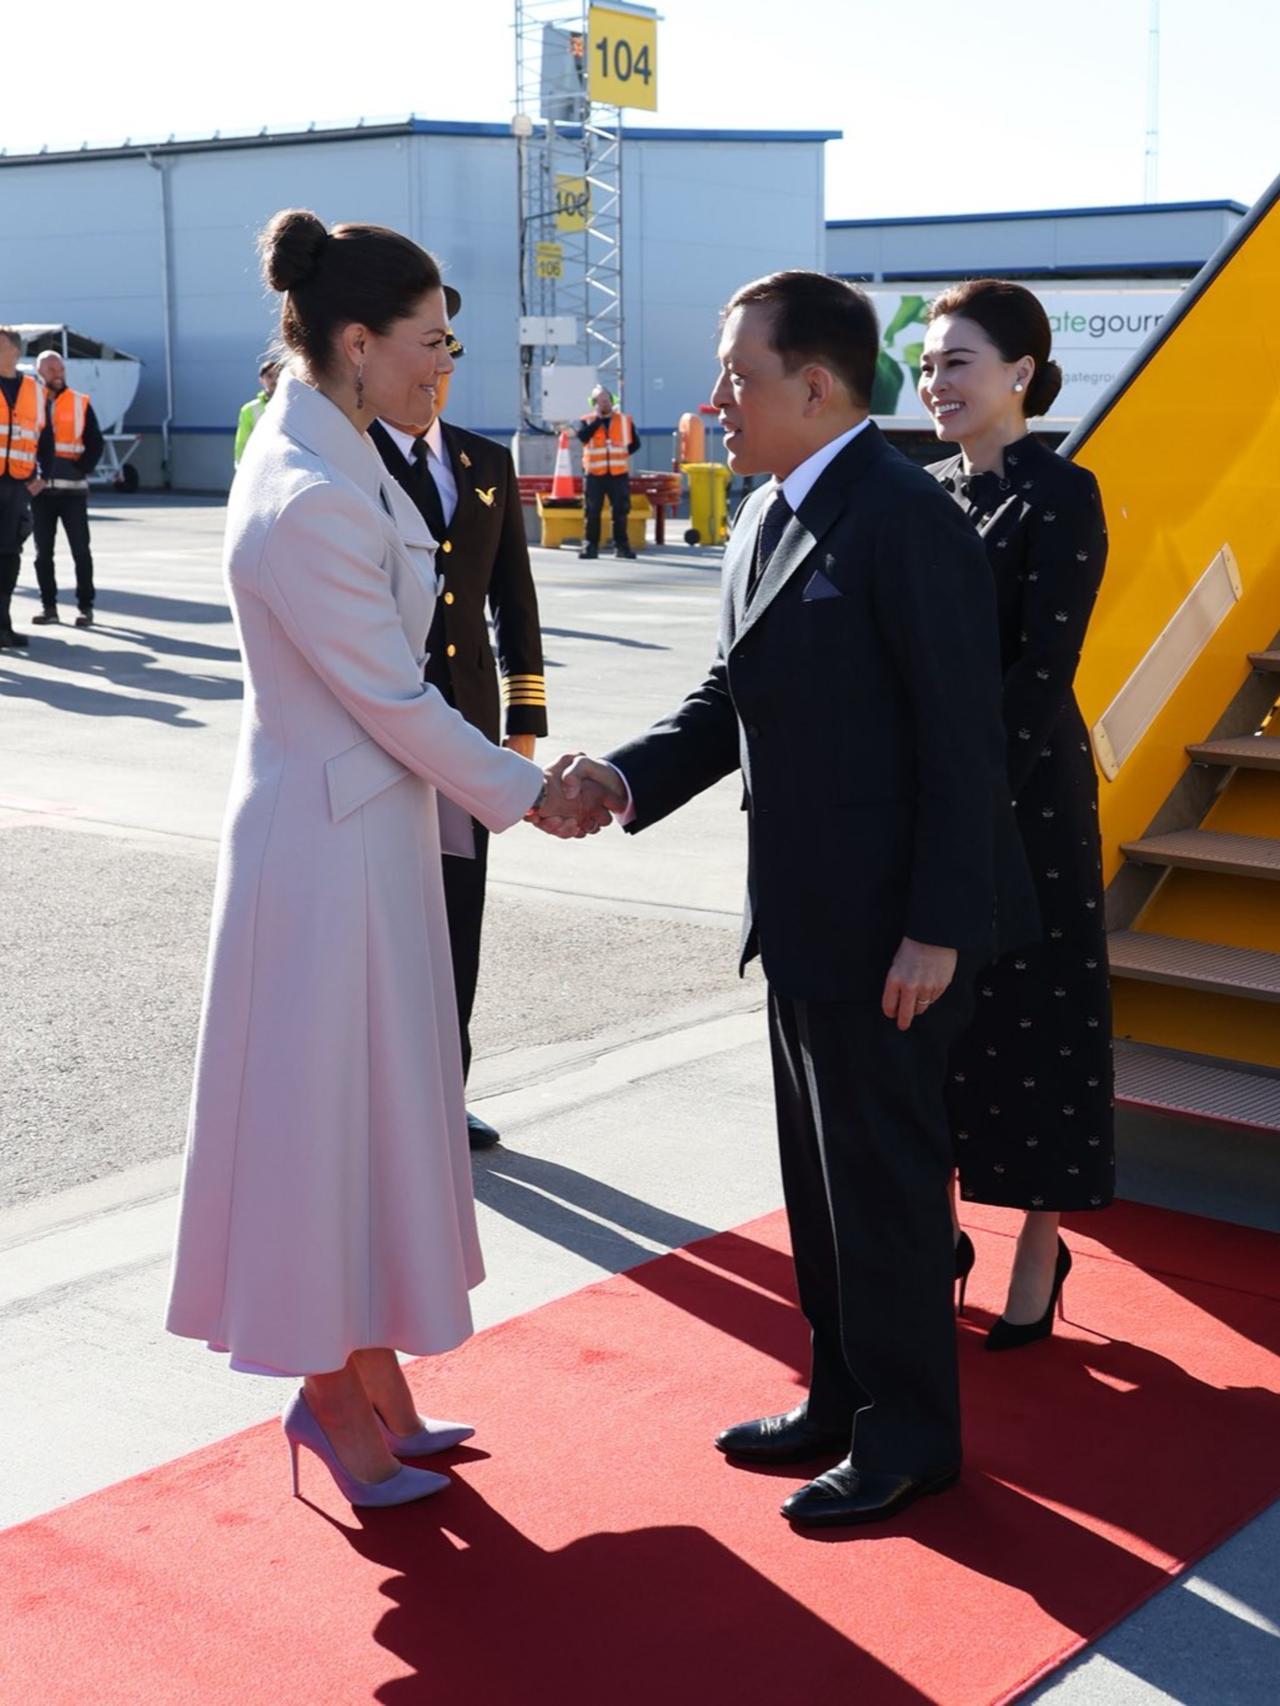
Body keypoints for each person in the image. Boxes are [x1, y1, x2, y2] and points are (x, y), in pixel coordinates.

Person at [545, 271, 1037, 1528]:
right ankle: (839, 1399)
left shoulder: (904, 517)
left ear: (814, 385)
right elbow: (729, 698)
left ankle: (910, 1436)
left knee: (884, 1192)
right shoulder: (769, 511)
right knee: (821, 1191)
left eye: (738, 375)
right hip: (805, 917)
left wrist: (937, 927)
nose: (715, 397)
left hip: (895, 934)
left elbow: (962, 741)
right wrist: (620, 776)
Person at [165, 208, 584, 1510]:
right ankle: (329, 1395)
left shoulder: (337, 451)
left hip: (367, 836)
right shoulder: (306, 490)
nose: (445, 364)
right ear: (356, 342)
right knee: (317, 1131)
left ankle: (371, 1373)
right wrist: (532, 789)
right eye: (430, 341)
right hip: (322, 855)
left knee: (368, 1124)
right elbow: (393, 697)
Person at [918, 279, 1114, 1349]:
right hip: (928, 788)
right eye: (927, 365)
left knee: (1038, 1015)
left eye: (956, 361)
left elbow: (1043, 668)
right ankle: (937, 1230)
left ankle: (1040, 1238)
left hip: (1027, 795)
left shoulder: (1060, 493)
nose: (934, 382)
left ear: (1020, 373)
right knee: (933, 1022)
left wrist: (970, 799)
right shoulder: (921, 494)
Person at [369, 316, 548, 1151]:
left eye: (447, 357)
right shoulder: (353, 454)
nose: (436, 373)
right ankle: (378, 1094)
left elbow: (515, 600)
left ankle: (448, 1089)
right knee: (381, 916)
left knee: (457, 915)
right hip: (383, 723)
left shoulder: (484, 461)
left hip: (468, 726)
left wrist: (524, 722)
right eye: (426, 354)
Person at [30, 350, 104, 628]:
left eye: (60, 369)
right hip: (41, 493)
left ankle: (86, 607)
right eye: (51, 370)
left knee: (80, 551)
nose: (58, 374)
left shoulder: (79, 402)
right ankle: (49, 608)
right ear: (39, 372)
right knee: (42, 554)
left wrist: (81, 468)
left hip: (72, 492)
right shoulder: (30, 402)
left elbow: (95, 442)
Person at [0, 327, 53, 650]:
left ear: (15, 351)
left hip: (17, 484)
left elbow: (45, 437)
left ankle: (3, 626)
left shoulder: (34, 390)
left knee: (8, 555)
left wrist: (44, 475)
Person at [576, 383, 639, 560]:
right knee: (592, 512)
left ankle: (621, 547)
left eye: (607, 400)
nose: (604, 403)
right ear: (594, 403)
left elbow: (635, 444)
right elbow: (582, 437)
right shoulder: (587, 421)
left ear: (612, 401)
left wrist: (620, 454)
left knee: (620, 511)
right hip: (594, 474)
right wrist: (597, 421)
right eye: (600, 400)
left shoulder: (624, 420)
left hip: (618, 474)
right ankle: (590, 546)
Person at [233, 360, 281, 466]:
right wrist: (240, 466)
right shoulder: (249, 409)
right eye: (269, 376)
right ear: (261, 380)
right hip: (259, 464)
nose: (275, 380)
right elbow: (242, 441)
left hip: (287, 464)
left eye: (278, 376)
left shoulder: (295, 406)